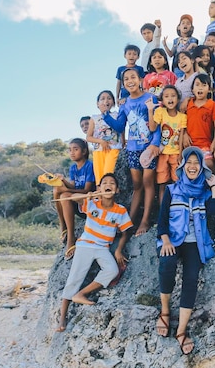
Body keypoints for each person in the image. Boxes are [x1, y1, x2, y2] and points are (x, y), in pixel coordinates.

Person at [156, 147, 215, 355]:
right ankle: (165, 311)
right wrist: (165, 240)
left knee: (191, 279)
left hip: (196, 242)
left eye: (197, 163)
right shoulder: (171, 189)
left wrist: (213, 187)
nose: (193, 166)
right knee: (166, 264)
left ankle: (182, 330)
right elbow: (162, 219)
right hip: (173, 240)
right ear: (183, 166)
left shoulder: (204, 192)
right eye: (190, 162)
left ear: (201, 167)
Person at [56, 173, 133, 333]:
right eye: (104, 183)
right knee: (74, 278)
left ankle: (81, 294)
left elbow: (126, 231)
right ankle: (62, 317)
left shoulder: (120, 210)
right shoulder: (92, 203)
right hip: (85, 245)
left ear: (117, 190)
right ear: (99, 188)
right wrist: (87, 196)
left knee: (112, 270)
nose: (108, 185)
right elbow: (71, 197)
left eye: (112, 183)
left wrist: (118, 250)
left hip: (103, 247)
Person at [103, 68, 161, 235]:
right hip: (132, 149)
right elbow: (120, 126)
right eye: (126, 78)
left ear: (140, 79)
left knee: (148, 184)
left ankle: (144, 221)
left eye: (133, 77)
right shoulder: (125, 104)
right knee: (137, 186)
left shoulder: (150, 98)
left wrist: (155, 144)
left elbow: (157, 124)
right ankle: (128, 221)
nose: (130, 81)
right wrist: (106, 115)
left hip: (148, 148)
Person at [52, 138, 95, 260]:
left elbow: (86, 190)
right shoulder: (73, 168)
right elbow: (73, 186)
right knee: (56, 189)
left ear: (84, 151)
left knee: (64, 195)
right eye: (70, 150)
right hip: (74, 201)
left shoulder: (89, 166)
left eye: (75, 149)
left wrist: (66, 190)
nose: (72, 152)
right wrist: (62, 181)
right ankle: (63, 225)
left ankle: (71, 237)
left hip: (86, 203)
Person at [147, 85, 187, 205]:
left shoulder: (182, 117)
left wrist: (180, 153)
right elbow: (153, 128)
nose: (170, 99)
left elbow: (181, 136)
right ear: (162, 100)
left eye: (173, 96)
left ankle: (177, 207)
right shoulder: (160, 112)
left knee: (177, 181)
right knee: (162, 183)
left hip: (175, 154)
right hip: (163, 153)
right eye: (166, 96)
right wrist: (150, 110)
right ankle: (162, 210)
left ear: (178, 99)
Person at [184, 73, 215, 171]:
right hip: (190, 145)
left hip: (206, 144)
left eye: (204, 85)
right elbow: (182, 121)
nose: (200, 88)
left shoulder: (213, 105)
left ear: (209, 89)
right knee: (189, 166)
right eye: (197, 85)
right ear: (192, 89)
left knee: (208, 163)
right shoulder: (188, 104)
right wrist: (184, 134)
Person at [87, 90, 122, 182]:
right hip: (98, 151)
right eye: (102, 99)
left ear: (113, 103)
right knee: (100, 180)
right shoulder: (94, 118)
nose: (106, 101)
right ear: (97, 104)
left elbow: (121, 130)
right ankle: (101, 196)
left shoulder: (116, 115)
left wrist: (123, 143)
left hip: (113, 149)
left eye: (109, 98)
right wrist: (101, 141)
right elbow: (88, 137)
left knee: (108, 175)